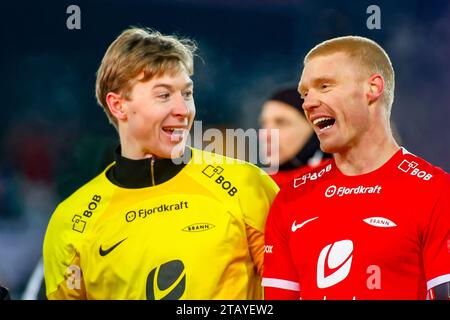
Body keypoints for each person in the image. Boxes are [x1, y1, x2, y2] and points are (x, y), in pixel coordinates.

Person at [43, 27, 279, 300]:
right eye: (164, 95)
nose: (184, 110)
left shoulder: (246, 184)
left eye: (187, 94)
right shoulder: (71, 220)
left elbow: (294, 289)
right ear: (119, 106)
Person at [262, 36, 450, 300]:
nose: (307, 103)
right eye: (305, 93)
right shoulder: (291, 198)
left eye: (324, 86)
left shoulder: (436, 192)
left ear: (372, 88)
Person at [259, 87, 331, 186]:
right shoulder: (252, 188)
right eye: (263, 124)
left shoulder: (344, 185)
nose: (265, 135)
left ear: (315, 128)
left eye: (281, 123)